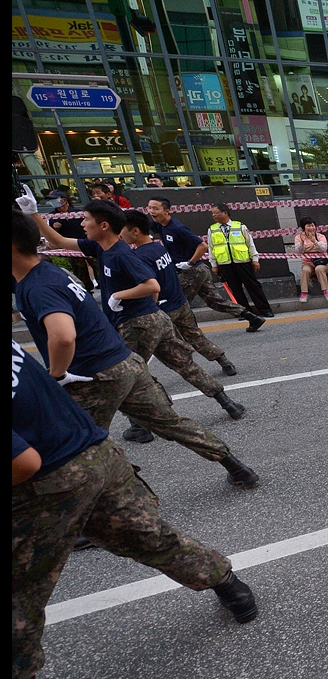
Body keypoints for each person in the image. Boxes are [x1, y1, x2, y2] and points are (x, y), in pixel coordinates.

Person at [11, 340, 258, 679]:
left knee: (19, 585)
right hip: (94, 450)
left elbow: (23, 462)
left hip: (49, 480)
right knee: (148, 535)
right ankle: (230, 587)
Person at [12, 205, 259, 488]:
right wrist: (34, 214)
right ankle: (234, 462)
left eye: (86, 219)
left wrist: (57, 375)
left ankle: (123, 485)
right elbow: (58, 240)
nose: (81, 223)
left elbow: (65, 335)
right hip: (126, 355)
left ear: (105, 226)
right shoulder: (73, 263)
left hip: (104, 361)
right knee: (171, 410)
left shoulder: (104, 259)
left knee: (77, 442)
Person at [117, 210, 247, 420]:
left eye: (121, 229)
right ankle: (225, 381)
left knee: (134, 367)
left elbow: (152, 289)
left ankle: (141, 422)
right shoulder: (159, 248)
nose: (120, 234)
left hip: (159, 312)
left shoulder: (140, 256)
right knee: (191, 346)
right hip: (179, 303)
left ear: (135, 230)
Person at [147, 197, 265, 334]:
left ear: (166, 211)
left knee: (178, 302)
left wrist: (189, 263)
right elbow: (145, 227)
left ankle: (186, 333)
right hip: (197, 271)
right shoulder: (159, 224)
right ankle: (252, 317)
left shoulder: (177, 228)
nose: (151, 211)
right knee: (215, 301)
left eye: (155, 208)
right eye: (149, 208)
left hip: (192, 271)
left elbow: (202, 246)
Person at [207, 203, 273, 319]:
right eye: (212, 213)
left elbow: (250, 243)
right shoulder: (212, 229)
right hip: (225, 264)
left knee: (253, 286)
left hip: (243, 262)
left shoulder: (240, 226)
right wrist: (214, 264)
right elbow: (211, 248)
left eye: (216, 213)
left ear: (225, 213)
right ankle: (244, 312)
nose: (214, 215)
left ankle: (265, 309)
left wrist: (255, 259)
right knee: (235, 289)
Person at [293, 217, 328, 302]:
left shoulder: (320, 236)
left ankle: (326, 291)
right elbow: (299, 251)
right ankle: (304, 293)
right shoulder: (298, 237)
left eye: (312, 225)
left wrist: (314, 241)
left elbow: (323, 248)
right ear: (303, 227)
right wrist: (302, 242)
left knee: (319, 269)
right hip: (308, 263)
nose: (311, 228)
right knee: (305, 270)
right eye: (308, 226)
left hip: (323, 263)